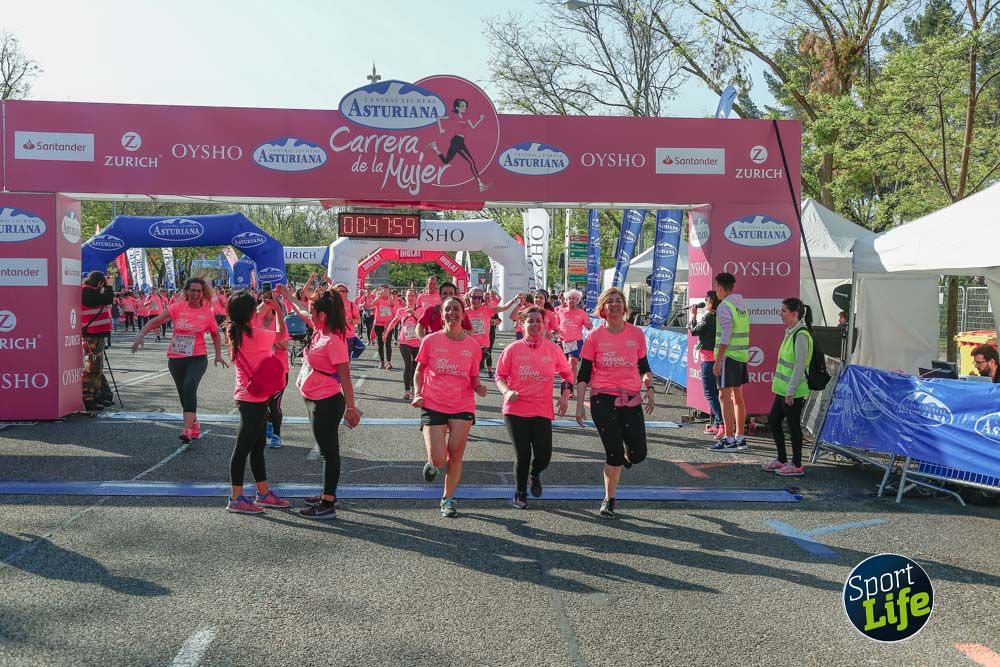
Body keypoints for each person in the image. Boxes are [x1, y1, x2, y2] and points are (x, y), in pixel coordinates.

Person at [575, 288, 655, 519]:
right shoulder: (594, 337)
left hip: (630, 397)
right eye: (609, 302)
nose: (614, 305)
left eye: (618, 301)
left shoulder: (636, 334)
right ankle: (609, 499)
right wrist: (580, 405)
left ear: (625, 307)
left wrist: (649, 388)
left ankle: (625, 458)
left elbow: (644, 367)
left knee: (638, 454)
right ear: (602, 309)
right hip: (603, 397)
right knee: (613, 453)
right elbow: (584, 374)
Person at [284, 284, 359, 520]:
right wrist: (287, 297)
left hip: (327, 402)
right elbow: (303, 311)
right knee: (326, 449)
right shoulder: (320, 331)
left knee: (329, 453)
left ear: (323, 315)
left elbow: (345, 378)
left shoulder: (333, 340)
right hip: (314, 400)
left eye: (314, 312)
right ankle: (327, 493)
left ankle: (328, 503)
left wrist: (351, 408)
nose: (310, 315)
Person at [412, 297, 488, 518]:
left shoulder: (473, 345)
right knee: (439, 457)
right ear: (442, 314)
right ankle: (432, 464)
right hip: (433, 402)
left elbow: (474, 376)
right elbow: (419, 370)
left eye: (456, 309)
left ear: (463, 314)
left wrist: (479, 387)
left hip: (462, 405)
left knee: (455, 455)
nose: (451, 313)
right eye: (447, 309)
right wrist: (417, 393)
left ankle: (448, 499)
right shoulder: (430, 340)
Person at [494, 307, 575, 509]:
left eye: (538, 321)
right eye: (530, 321)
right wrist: (506, 392)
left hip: (542, 409)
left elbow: (568, 375)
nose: (535, 324)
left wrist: (565, 397)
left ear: (544, 324)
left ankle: (534, 473)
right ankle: (520, 493)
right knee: (523, 454)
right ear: (522, 324)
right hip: (516, 409)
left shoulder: (554, 350)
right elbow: (499, 376)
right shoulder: (512, 349)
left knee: (544, 456)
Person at [132, 278, 228, 443]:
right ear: (187, 291)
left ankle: (187, 430)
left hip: (197, 357)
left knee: (190, 385)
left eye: (199, 291)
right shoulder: (177, 307)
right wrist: (141, 335)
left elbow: (215, 335)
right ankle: (194, 422)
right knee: (184, 392)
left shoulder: (206, 312)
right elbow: (156, 321)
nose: (196, 294)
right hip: (176, 358)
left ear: (203, 293)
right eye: (193, 290)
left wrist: (218, 355)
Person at [224, 291, 290, 514]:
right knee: (244, 448)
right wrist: (279, 310)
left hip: (249, 397)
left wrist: (263, 305)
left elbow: (251, 317)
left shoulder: (234, 331)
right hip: (252, 399)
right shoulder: (257, 335)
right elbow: (282, 335)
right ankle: (236, 498)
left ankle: (263, 492)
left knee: (258, 447)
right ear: (250, 313)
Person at [762, 298, 814, 477]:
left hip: (793, 391)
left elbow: (799, 366)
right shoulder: (791, 332)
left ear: (795, 314)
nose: (781, 314)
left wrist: (790, 391)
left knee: (793, 426)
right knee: (774, 420)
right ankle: (782, 459)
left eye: (784, 311)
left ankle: (797, 464)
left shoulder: (800, 334)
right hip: (784, 389)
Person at [710, 272, 750, 452]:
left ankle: (728, 439)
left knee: (724, 397)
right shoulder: (741, 305)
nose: (715, 291)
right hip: (740, 355)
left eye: (716, 287)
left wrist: (718, 360)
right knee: (737, 397)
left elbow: (726, 334)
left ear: (720, 287)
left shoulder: (724, 306)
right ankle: (740, 437)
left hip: (728, 356)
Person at [430, 98, 490, 192]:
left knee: (446, 161)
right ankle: (480, 185)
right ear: (457, 107)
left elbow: (473, 127)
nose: (464, 107)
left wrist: (480, 119)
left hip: (461, 141)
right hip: (456, 141)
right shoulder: (453, 115)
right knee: (471, 162)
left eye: (465, 106)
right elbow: (438, 118)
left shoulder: (466, 116)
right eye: (462, 106)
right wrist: (441, 129)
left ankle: (434, 147)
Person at [258, 289, 291, 449]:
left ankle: (276, 435)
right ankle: (269, 422)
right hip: (259, 371)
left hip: (279, 371)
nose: (265, 303)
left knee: (274, 405)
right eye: (262, 300)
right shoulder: (255, 322)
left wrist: (267, 338)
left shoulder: (279, 321)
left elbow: (284, 345)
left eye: (268, 300)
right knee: (261, 406)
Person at [688, 291, 723, 436]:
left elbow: (694, 331)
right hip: (716, 358)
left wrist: (693, 316)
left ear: (712, 301)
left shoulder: (709, 318)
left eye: (707, 299)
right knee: (715, 393)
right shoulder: (719, 317)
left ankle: (721, 423)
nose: (705, 301)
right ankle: (717, 423)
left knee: (710, 393)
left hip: (709, 360)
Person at [81, 271, 115, 412]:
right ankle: (87, 398)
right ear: (100, 283)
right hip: (92, 335)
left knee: (97, 367)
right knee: (92, 368)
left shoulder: (88, 291)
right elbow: (107, 299)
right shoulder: (87, 292)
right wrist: (109, 287)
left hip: (96, 334)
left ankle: (97, 395)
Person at [465, 287, 519, 376]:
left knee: (475, 372)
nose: (477, 300)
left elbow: (504, 307)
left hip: (482, 347)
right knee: (469, 372)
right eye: (474, 297)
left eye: (479, 298)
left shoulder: (486, 310)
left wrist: (515, 299)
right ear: (469, 297)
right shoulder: (464, 311)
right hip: (468, 346)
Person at [382, 289, 423, 399]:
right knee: (408, 364)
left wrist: (414, 314)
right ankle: (407, 391)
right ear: (405, 297)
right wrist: (386, 333)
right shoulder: (401, 311)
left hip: (417, 342)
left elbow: (424, 323)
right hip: (404, 341)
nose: (410, 298)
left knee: (415, 366)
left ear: (416, 297)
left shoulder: (421, 310)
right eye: (409, 296)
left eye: (412, 296)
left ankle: (414, 388)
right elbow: (394, 321)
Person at [555, 289, 593, 394]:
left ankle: (570, 387)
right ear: (565, 300)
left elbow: (589, 327)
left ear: (578, 301)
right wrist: (555, 331)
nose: (572, 300)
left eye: (574, 299)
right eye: (569, 298)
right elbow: (555, 325)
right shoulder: (560, 311)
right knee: (563, 366)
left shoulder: (582, 313)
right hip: (562, 341)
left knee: (572, 364)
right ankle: (565, 387)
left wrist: (589, 325)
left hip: (575, 342)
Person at [372, 285, 396, 370]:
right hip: (379, 324)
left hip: (388, 324)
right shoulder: (378, 298)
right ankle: (381, 361)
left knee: (388, 343)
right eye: (383, 290)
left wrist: (388, 294)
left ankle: (388, 362)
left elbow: (391, 303)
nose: (384, 291)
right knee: (380, 343)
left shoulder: (390, 298)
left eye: (386, 290)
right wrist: (379, 295)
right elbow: (373, 303)